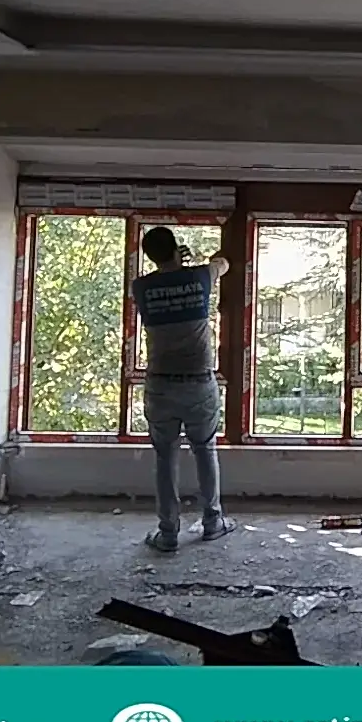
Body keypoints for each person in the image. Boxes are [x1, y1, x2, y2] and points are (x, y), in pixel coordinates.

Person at [131, 227, 237, 553]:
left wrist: (175, 261)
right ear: (177, 250)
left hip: (160, 385)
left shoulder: (141, 287)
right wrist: (194, 262)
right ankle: (212, 522)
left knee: (165, 457)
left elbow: (166, 278)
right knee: (205, 450)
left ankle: (167, 533)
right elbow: (223, 264)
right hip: (198, 383)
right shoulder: (200, 277)